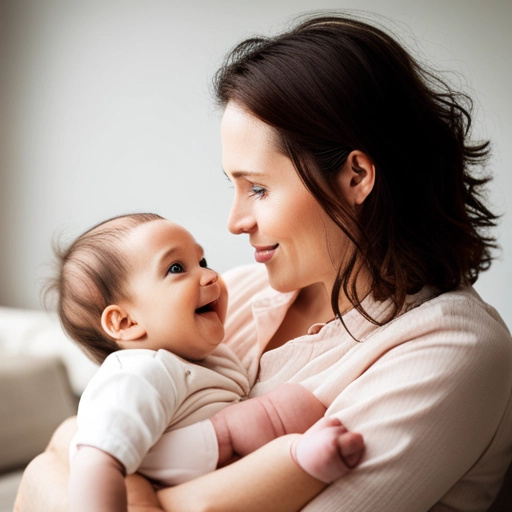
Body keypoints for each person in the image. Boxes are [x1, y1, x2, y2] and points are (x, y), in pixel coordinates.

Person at [15, 12, 512, 512]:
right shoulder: (239, 294)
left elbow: (73, 460)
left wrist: (122, 493)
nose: (235, 222)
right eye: (233, 186)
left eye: (257, 188)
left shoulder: (452, 347)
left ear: (356, 176)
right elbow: (86, 427)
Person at [49, 212, 364, 512]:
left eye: (202, 261)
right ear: (125, 322)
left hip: (216, 470)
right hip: (166, 470)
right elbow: (95, 461)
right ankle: (300, 459)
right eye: (176, 268)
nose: (210, 276)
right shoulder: (137, 374)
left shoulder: (210, 357)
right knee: (255, 419)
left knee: (291, 404)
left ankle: (304, 458)